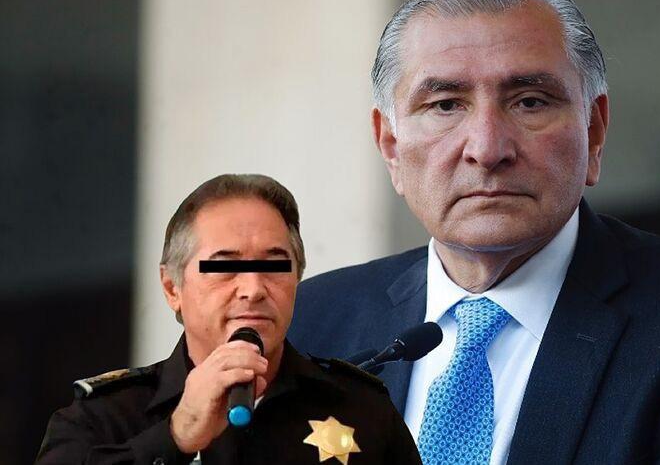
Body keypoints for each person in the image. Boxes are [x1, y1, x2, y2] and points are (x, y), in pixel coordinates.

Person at [288, 0, 660, 464]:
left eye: (530, 102)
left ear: (594, 133)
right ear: (391, 146)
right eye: (445, 105)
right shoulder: (310, 322)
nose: (487, 149)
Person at [37, 174, 421, 464]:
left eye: (274, 266)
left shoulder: (362, 409)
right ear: (172, 287)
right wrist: (175, 438)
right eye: (223, 267)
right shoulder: (102, 419)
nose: (253, 289)